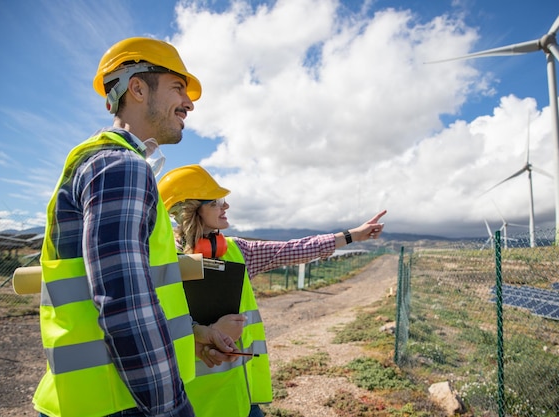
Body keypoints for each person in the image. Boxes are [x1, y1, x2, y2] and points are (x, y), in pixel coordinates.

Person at [33, 37, 238, 417]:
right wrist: (170, 407)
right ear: (138, 88)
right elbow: (124, 303)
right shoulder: (122, 167)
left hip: (95, 398)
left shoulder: (102, 164)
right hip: (122, 403)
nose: (190, 103)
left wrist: (193, 333)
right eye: (178, 87)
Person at [157, 164, 387, 417]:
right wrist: (198, 333)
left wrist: (353, 235)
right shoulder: (159, 263)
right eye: (216, 201)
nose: (226, 206)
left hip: (240, 396)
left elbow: (294, 249)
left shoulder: (238, 250)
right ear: (185, 211)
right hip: (191, 402)